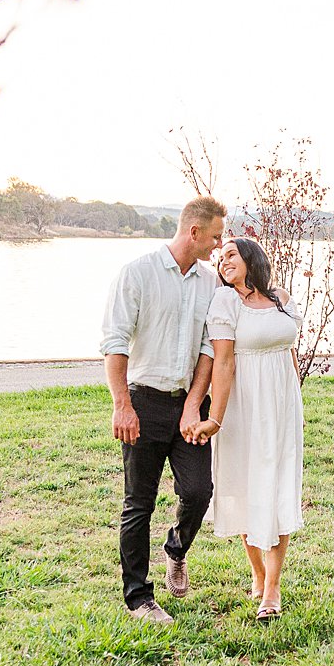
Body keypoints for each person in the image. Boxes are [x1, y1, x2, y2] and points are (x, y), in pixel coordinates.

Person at [99, 196, 226, 623]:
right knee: (139, 502)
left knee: (198, 491)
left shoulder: (211, 285)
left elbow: (209, 349)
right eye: (214, 236)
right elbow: (115, 343)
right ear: (194, 232)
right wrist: (123, 405)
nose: (218, 244)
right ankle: (138, 598)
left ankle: (177, 548)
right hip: (144, 402)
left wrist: (194, 405)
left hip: (188, 405)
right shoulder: (138, 274)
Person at [191, 237, 304, 620]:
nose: (224, 263)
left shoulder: (281, 299)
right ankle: (258, 573)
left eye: (231, 255)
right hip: (243, 405)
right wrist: (215, 418)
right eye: (220, 259)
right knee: (245, 485)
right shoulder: (225, 303)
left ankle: (272, 589)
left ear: (252, 259)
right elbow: (223, 363)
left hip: (282, 405)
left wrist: (291, 394)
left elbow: (289, 350)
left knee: (277, 486)